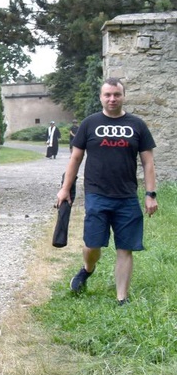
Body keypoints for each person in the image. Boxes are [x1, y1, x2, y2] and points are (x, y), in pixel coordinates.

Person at [56, 78, 158, 305]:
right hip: (96, 194)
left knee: (125, 248)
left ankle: (122, 298)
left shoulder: (137, 125)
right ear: (101, 97)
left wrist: (151, 194)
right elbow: (75, 157)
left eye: (117, 95)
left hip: (127, 197)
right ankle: (87, 268)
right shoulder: (90, 123)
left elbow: (148, 163)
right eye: (108, 95)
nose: (112, 99)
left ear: (123, 96)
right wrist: (64, 189)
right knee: (92, 245)